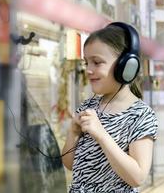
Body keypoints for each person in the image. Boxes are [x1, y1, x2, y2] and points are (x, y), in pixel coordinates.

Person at [62, 22, 158, 193]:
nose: (89, 70)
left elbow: (138, 177)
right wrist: (72, 133)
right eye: (86, 63)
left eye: (97, 63)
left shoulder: (141, 115)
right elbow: (70, 164)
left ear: (126, 66)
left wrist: (101, 135)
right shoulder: (88, 107)